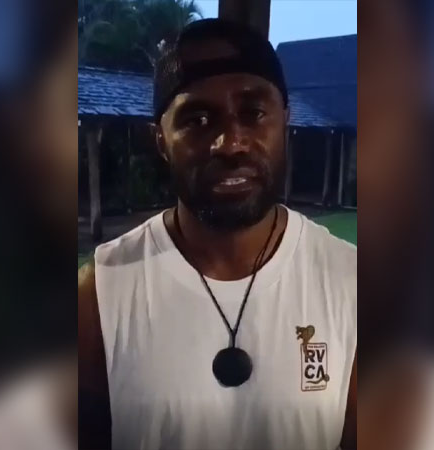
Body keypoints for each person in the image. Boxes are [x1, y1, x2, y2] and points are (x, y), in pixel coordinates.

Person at [79, 19, 357, 450]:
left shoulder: (353, 283)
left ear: (286, 120)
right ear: (161, 141)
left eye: (254, 113)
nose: (230, 143)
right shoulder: (99, 295)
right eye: (198, 119)